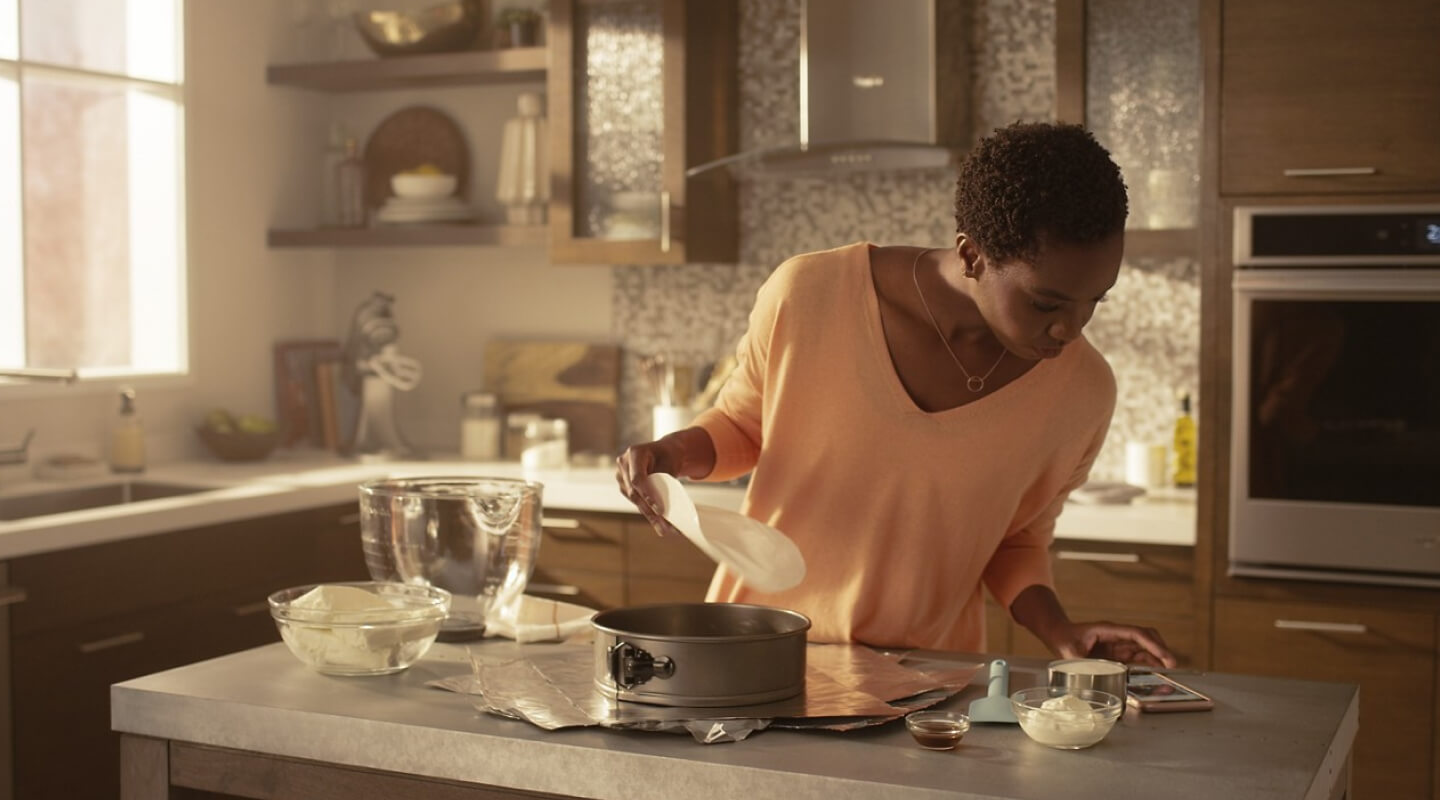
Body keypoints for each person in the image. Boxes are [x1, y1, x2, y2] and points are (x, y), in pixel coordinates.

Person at [615, 121, 1176, 667]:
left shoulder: (1083, 391)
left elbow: (1017, 540)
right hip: (759, 653)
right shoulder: (810, 296)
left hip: (925, 685)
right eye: (1047, 304)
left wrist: (1063, 634)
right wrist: (669, 455)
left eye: (1095, 301)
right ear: (972, 255)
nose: (1070, 329)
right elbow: (741, 429)